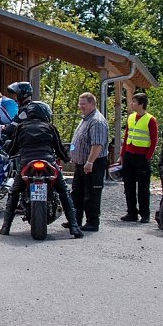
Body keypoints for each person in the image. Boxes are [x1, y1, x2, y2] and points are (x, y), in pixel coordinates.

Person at [0, 101, 83, 238]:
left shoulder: (21, 127)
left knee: (14, 192)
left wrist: (8, 152)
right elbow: (59, 148)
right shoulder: (49, 127)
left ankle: (5, 227)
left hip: (27, 163)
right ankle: (74, 226)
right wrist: (66, 158)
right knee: (63, 191)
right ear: (44, 113)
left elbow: (13, 147)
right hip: (48, 162)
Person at [68, 92, 110, 232]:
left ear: (92, 104)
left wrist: (90, 162)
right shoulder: (86, 118)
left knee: (91, 194)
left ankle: (92, 222)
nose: (81, 106)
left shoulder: (97, 121)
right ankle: (75, 220)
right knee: (77, 193)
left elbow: (97, 145)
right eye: (80, 104)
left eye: (83, 104)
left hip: (93, 164)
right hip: (80, 164)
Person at [117, 93, 158, 223]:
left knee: (143, 188)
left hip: (142, 157)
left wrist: (148, 157)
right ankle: (131, 212)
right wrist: (122, 155)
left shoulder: (150, 119)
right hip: (129, 155)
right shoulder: (130, 117)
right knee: (128, 186)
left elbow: (154, 140)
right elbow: (126, 137)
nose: (131, 104)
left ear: (141, 104)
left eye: (134, 102)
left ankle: (145, 214)